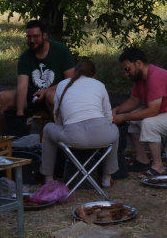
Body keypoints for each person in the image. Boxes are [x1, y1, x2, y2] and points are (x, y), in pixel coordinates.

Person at [111, 47, 167, 176]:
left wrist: (124, 117)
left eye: (127, 69)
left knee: (149, 123)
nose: (126, 73)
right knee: (131, 120)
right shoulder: (140, 79)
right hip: (166, 112)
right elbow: (134, 100)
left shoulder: (155, 77)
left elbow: (152, 111)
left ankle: (158, 166)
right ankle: (142, 159)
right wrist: (116, 110)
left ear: (139, 63)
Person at [39, 59, 117, 187]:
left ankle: (48, 178)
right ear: (94, 75)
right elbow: (108, 117)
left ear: (75, 72)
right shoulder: (99, 84)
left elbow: (57, 118)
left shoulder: (62, 84)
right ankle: (107, 178)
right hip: (102, 136)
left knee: (48, 128)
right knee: (115, 130)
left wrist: (66, 128)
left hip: (73, 138)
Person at [0, 20, 75, 135]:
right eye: (29, 37)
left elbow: (70, 80)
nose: (32, 40)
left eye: (35, 36)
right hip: (33, 97)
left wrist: (46, 91)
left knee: (50, 96)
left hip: (55, 94)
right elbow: (22, 86)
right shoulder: (25, 57)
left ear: (44, 35)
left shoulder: (61, 51)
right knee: (2, 97)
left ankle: (64, 138)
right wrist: (20, 115)